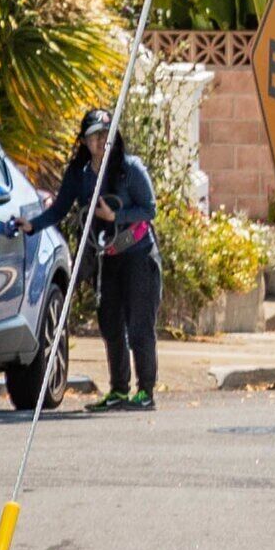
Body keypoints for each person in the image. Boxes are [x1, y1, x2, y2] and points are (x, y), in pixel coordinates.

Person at [30, 108, 161, 412]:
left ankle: (146, 392)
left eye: (106, 135)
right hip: (108, 257)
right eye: (95, 137)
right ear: (85, 142)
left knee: (140, 324)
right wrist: (32, 225)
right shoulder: (81, 174)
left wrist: (117, 216)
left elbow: (149, 209)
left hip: (139, 254)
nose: (101, 141)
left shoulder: (130, 169)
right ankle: (118, 390)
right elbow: (60, 208)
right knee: (110, 323)